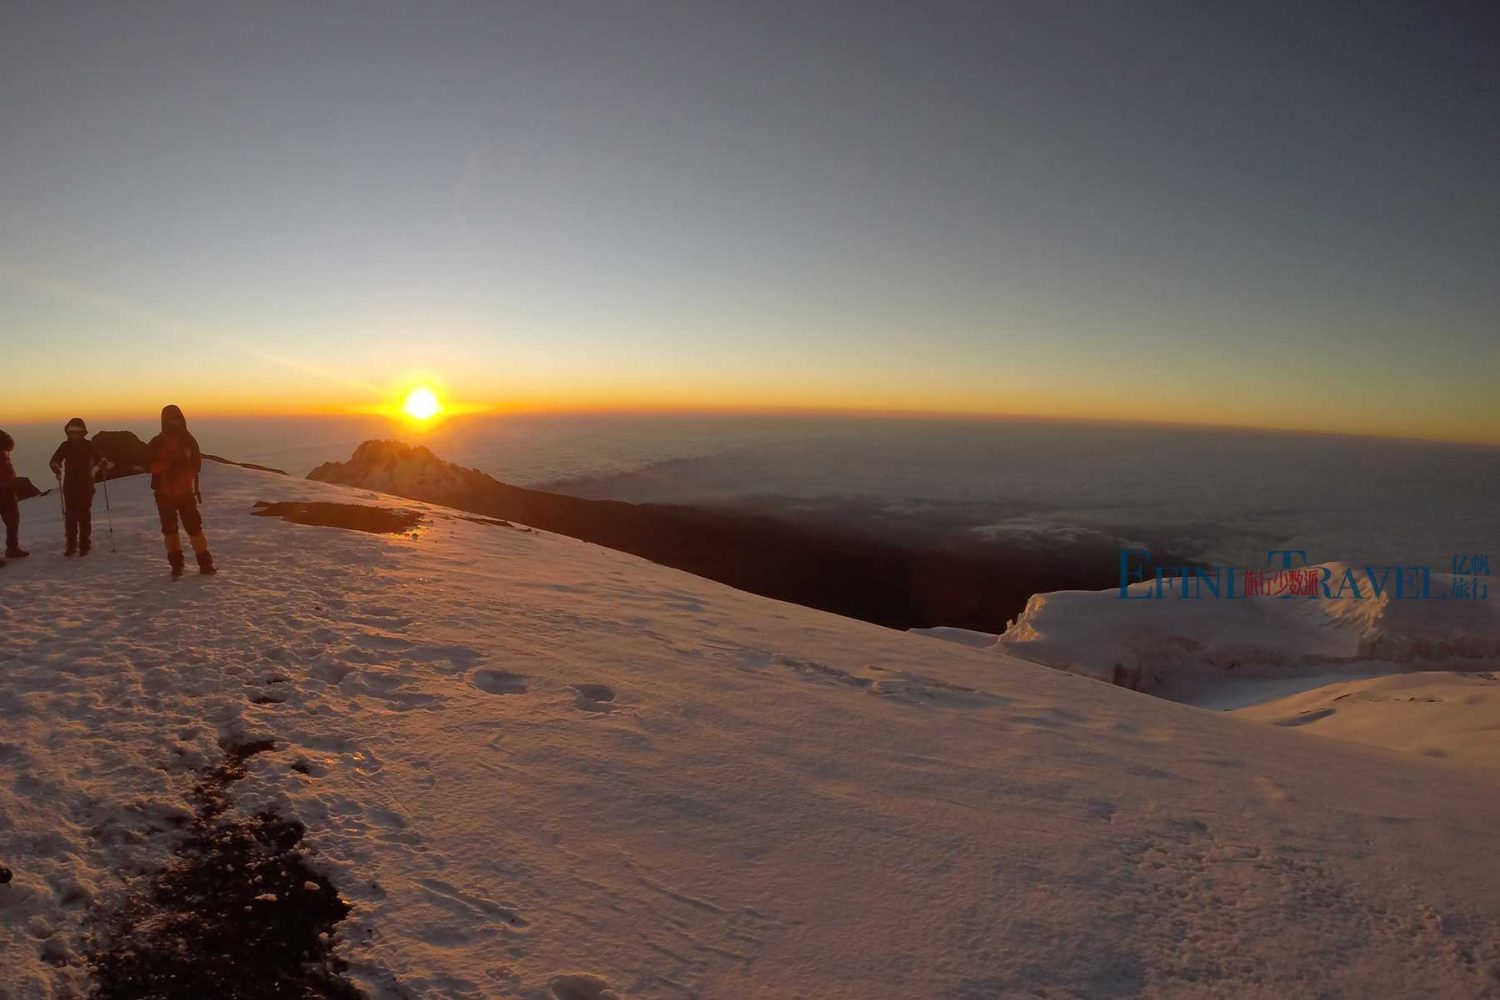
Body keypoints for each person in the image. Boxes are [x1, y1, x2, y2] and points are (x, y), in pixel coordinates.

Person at [147, 404, 215, 577]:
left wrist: (183, 471)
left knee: (192, 528)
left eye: (176, 420)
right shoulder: (160, 442)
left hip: (180, 492)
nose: (174, 424)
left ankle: (201, 564)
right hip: (167, 493)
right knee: (173, 530)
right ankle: (182, 565)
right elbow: (148, 465)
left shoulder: (186, 441)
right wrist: (170, 466)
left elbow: (196, 464)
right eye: (171, 420)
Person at [49, 418, 107, 557]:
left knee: (83, 515)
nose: (74, 434)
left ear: (82, 433)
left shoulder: (86, 445)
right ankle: (72, 545)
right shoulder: (66, 445)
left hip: (85, 484)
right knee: (71, 516)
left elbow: (100, 458)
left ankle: (84, 545)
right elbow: (55, 459)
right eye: (72, 432)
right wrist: (56, 466)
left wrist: (100, 465)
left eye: (77, 432)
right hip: (72, 485)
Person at [0, 430, 26, 562]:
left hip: (6, 485)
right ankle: (12, 549)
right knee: (12, 518)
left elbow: (10, 445)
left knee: (12, 518)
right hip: (5, 485)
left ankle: (12, 548)